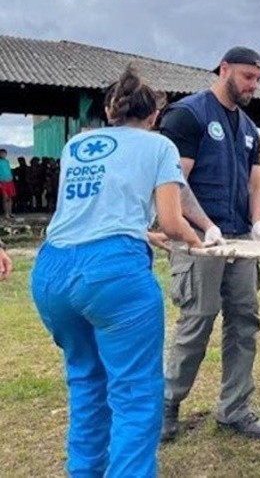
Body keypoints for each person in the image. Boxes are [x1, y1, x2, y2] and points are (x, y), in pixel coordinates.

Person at [29, 65, 202, 477]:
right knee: (136, 393)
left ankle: (84, 471)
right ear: (154, 116)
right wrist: (201, 241)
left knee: (86, 382)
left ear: (110, 111)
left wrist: (140, 233)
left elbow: (91, 213)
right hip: (113, 276)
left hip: (52, 270)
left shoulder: (77, 144)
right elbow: (172, 221)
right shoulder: (159, 146)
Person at [160, 46, 260, 441]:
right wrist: (206, 226)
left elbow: (255, 183)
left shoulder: (249, 129)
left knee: (245, 321)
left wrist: (259, 222)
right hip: (198, 241)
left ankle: (234, 407)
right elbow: (174, 182)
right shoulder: (187, 116)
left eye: (258, 79)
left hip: (240, 239)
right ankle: (167, 405)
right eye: (247, 77)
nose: (253, 86)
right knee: (197, 320)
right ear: (224, 69)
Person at [0, 148, 15, 219]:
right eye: (2, 153)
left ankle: (10, 212)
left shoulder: (7, 161)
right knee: (5, 197)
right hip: (2, 182)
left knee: (10, 198)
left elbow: (9, 170)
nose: (3, 155)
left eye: (4, 153)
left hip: (9, 181)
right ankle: (6, 213)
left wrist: (11, 177)